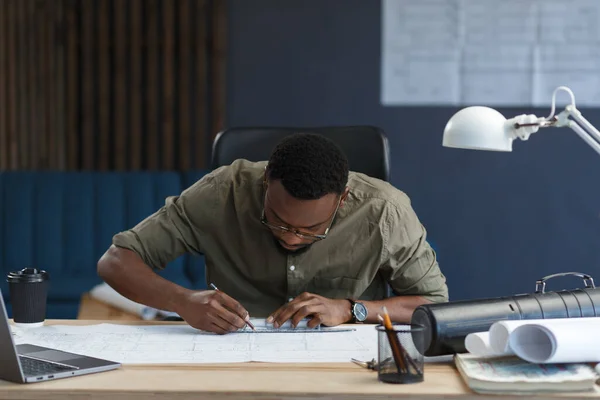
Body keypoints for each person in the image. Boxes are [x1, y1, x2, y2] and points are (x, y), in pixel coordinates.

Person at [97, 133, 448, 334]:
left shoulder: (385, 210)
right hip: (230, 353)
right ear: (265, 182)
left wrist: (352, 309)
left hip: (345, 364)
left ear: (343, 200)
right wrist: (182, 301)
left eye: (312, 229)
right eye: (277, 221)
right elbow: (115, 261)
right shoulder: (222, 193)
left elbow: (433, 303)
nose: (292, 238)